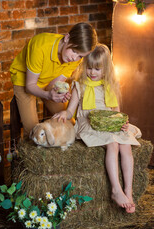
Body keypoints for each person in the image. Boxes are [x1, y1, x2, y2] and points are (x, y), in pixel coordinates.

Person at [53, 43, 142, 213]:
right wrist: (65, 113)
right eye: (89, 68)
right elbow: (71, 110)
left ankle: (128, 192)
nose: (92, 73)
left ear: (106, 69)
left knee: (126, 145)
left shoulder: (110, 86)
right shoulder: (80, 85)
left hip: (108, 123)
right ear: (84, 66)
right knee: (113, 144)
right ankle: (116, 190)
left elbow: (116, 112)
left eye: (97, 69)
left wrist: (121, 123)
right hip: (88, 123)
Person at [10, 22, 97, 137]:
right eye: (74, 51)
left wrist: (59, 94)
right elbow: (30, 85)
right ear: (67, 38)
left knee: (69, 123)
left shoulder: (75, 59)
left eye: (80, 56)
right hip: (25, 80)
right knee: (33, 131)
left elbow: (53, 85)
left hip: (48, 80)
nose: (74, 58)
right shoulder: (40, 46)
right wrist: (48, 95)